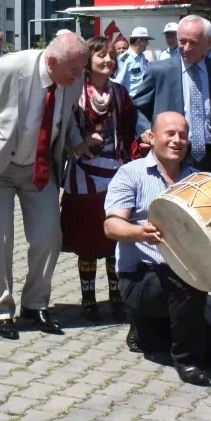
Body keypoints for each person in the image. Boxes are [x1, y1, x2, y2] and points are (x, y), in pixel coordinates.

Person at [0, 33, 91, 339]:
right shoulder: (8, 69)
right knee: (0, 243)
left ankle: (35, 304)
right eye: (75, 70)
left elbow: (64, 120)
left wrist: (77, 143)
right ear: (52, 62)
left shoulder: (71, 78)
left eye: (82, 69)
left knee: (48, 237)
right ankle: (1, 311)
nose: (80, 76)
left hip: (40, 171)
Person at [105, 112, 211, 384]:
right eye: (170, 134)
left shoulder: (197, 180)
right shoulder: (130, 173)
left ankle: (148, 330)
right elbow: (111, 227)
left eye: (183, 135)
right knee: (184, 279)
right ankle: (186, 360)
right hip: (140, 278)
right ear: (152, 137)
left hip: (186, 278)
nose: (177, 140)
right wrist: (139, 232)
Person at [60, 36, 137, 321]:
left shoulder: (119, 93)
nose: (108, 61)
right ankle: (88, 298)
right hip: (83, 176)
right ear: (88, 61)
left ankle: (117, 296)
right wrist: (80, 140)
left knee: (114, 239)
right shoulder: (75, 92)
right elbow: (65, 124)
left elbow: (129, 129)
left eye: (111, 56)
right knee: (88, 241)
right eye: (101, 56)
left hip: (115, 175)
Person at [131, 16, 211, 180]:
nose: (185, 48)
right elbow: (136, 108)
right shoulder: (159, 71)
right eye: (182, 41)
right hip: (173, 153)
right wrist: (145, 130)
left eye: (193, 43)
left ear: (208, 43)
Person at [114, 26, 155, 93]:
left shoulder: (142, 56)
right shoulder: (124, 59)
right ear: (139, 42)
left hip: (142, 98)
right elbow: (117, 83)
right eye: (146, 40)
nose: (147, 43)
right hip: (130, 100)